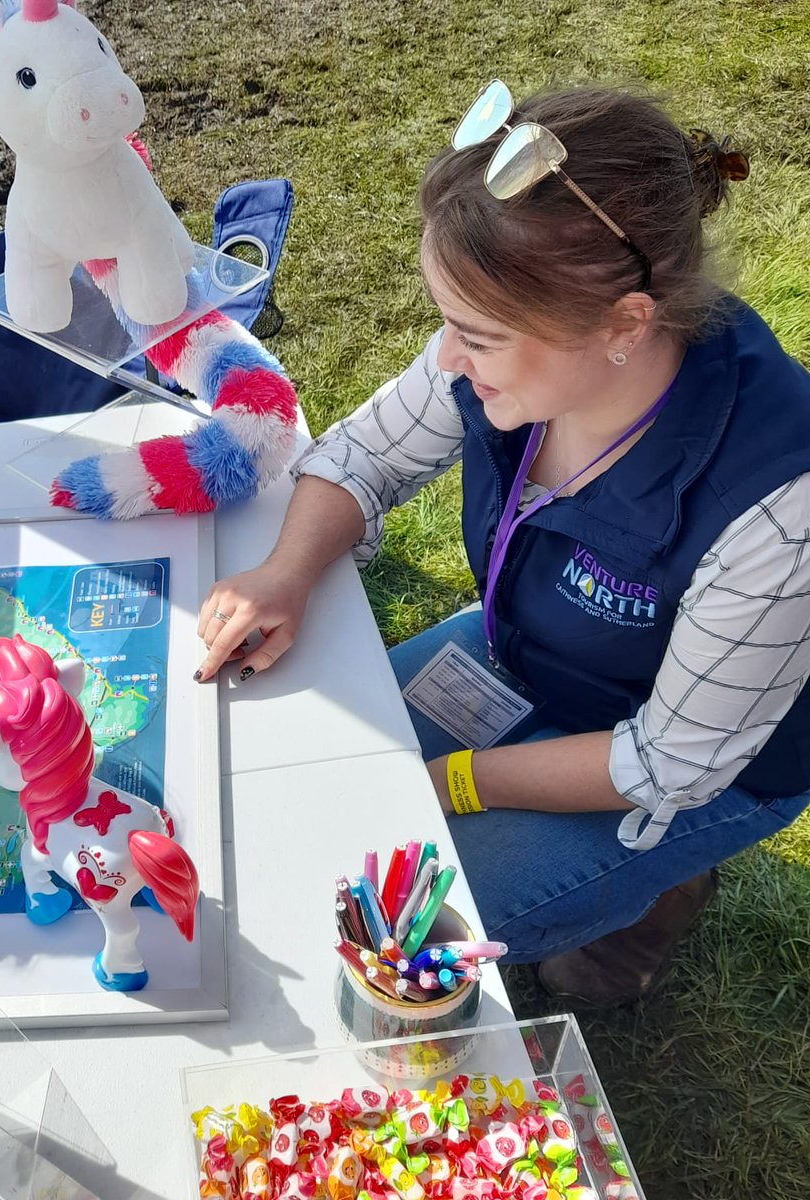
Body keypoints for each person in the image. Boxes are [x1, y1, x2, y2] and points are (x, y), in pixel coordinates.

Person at [195, 84, 810, 1006]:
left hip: (693, 767)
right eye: (450, 322)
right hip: (538, 652)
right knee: (288, 778)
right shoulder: (522, 344)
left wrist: (450, 784)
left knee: (373, 926)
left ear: (624, 325)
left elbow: (665, 763)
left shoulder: (778, 505)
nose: (445, 359)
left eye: (475, 335)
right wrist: (286, 573)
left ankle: (654, 890)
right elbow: (363, 453)